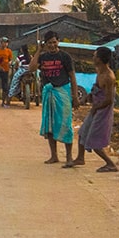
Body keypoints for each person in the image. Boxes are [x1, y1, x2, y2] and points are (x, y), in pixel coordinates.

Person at [67, 46, 119, 172]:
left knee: (95, 141)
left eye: (95, 56)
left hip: (102, 111)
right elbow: (97, 89)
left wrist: (96, 107)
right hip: (96, 108)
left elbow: (109, 99)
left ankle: (110, 164)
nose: (93, 58)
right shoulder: (99, 71)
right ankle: (80, 158)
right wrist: (88, 98)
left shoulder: (108, 76)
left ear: (100, 59)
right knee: (82, 133)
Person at [37, 31, 79, 165]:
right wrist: (38, 51)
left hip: (63, 92)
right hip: (48, 92)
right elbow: (32, 67)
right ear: (45, 44)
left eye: (54, 42)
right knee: (49, 124)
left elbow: (72, 76)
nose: (52, 45)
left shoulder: (65, 57)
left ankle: (69, 157)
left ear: (58, 42)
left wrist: (75, 95)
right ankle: (54, 155)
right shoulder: (42, 57)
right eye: (49, 43)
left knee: (66, 124)